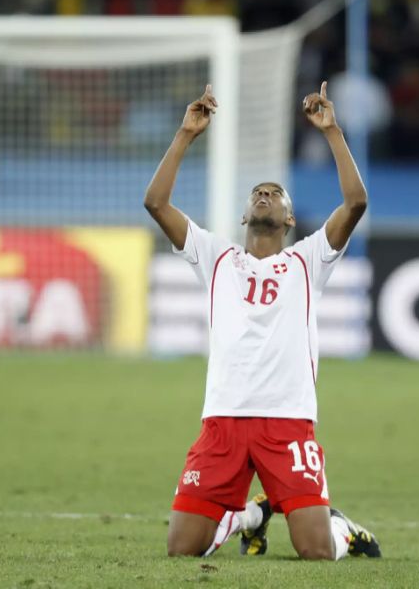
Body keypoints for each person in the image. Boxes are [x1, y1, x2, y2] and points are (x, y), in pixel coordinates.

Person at [143, 82, 381, 559]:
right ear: (244, 214)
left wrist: (332, 131)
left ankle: (345, 531)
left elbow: (355, 203)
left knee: (314, 550)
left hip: (287, 422)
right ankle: (251, 516)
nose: (266, 195)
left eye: (276, 194)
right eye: (258, 193)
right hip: (223, 421)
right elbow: (156, 203)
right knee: (181, 548)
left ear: (291, 220)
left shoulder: (308, 260)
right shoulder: (215, 257)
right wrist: (186, 135)